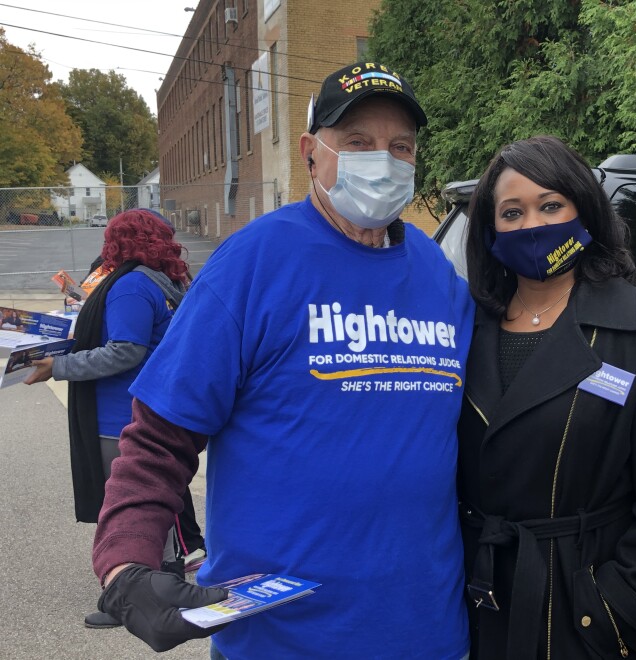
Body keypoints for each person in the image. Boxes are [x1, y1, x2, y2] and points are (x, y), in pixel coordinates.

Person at [90, 62, 474, 659]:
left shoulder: (437, 275)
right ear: (310, 153)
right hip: (284, 638)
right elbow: (160, 438)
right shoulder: (254, 262)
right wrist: (125, 568)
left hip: (426, 632)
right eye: (358, 142)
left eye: (401, 147)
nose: (384, 160)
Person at [457, 136, 636, 659]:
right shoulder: (464, 332)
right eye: (512, 212)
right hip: (488, 603)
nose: (533, 226)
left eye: (550, 205)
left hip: (596, 614)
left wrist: (619, 600)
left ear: (584, 210)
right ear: (491, 231)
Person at [24, 208, 193, 628]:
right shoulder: (164, 280)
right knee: (150, 501)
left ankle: (137, 595)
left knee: (127, 507)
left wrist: (56, 367)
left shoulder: (132, 284)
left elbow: (125, 350)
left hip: (120, 415)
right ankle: (164, 583)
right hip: (151, 408)